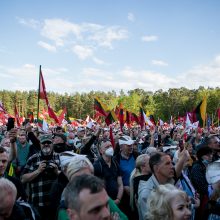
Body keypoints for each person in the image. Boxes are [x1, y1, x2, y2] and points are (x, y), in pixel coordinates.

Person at [138, 150, 189, 220]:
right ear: (156, 168)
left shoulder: (169, 182)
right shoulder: (147, 193)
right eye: (167, 163)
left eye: (171, 163)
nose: (172, 166)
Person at [21, 134, 61, 220]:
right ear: (40, 144)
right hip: (38, 204)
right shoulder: (33, 159)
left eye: (48, 142)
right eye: (44, 143)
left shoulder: (60, 157)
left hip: (55, 204)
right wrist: (38, 171)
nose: (46, 144)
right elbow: (22, 179)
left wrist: (57, 172)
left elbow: (67, 178)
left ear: (52, 144)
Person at [93, 139, 123, 204]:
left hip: (117, 200)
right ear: (101, 151)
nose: (110, 148)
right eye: (107, 147)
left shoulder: (115, 162)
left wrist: (118, 199)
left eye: (111, 146)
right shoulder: (97, 165)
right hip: (104, 202)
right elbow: (96, 188)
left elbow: (120, 184)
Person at [129, 154, 151, 218]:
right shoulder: (142, 181)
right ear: (142, 167)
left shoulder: (136, 178)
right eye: (149, 163)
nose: (152, 164)